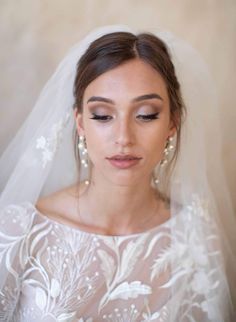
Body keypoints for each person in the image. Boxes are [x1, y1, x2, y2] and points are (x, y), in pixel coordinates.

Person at [0, 25, 235, 321]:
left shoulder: (194, 238)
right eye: (102, 116)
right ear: (81, 123)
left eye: (146, 114)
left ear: (172, 123)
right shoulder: (19, 233)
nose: (123, 137)